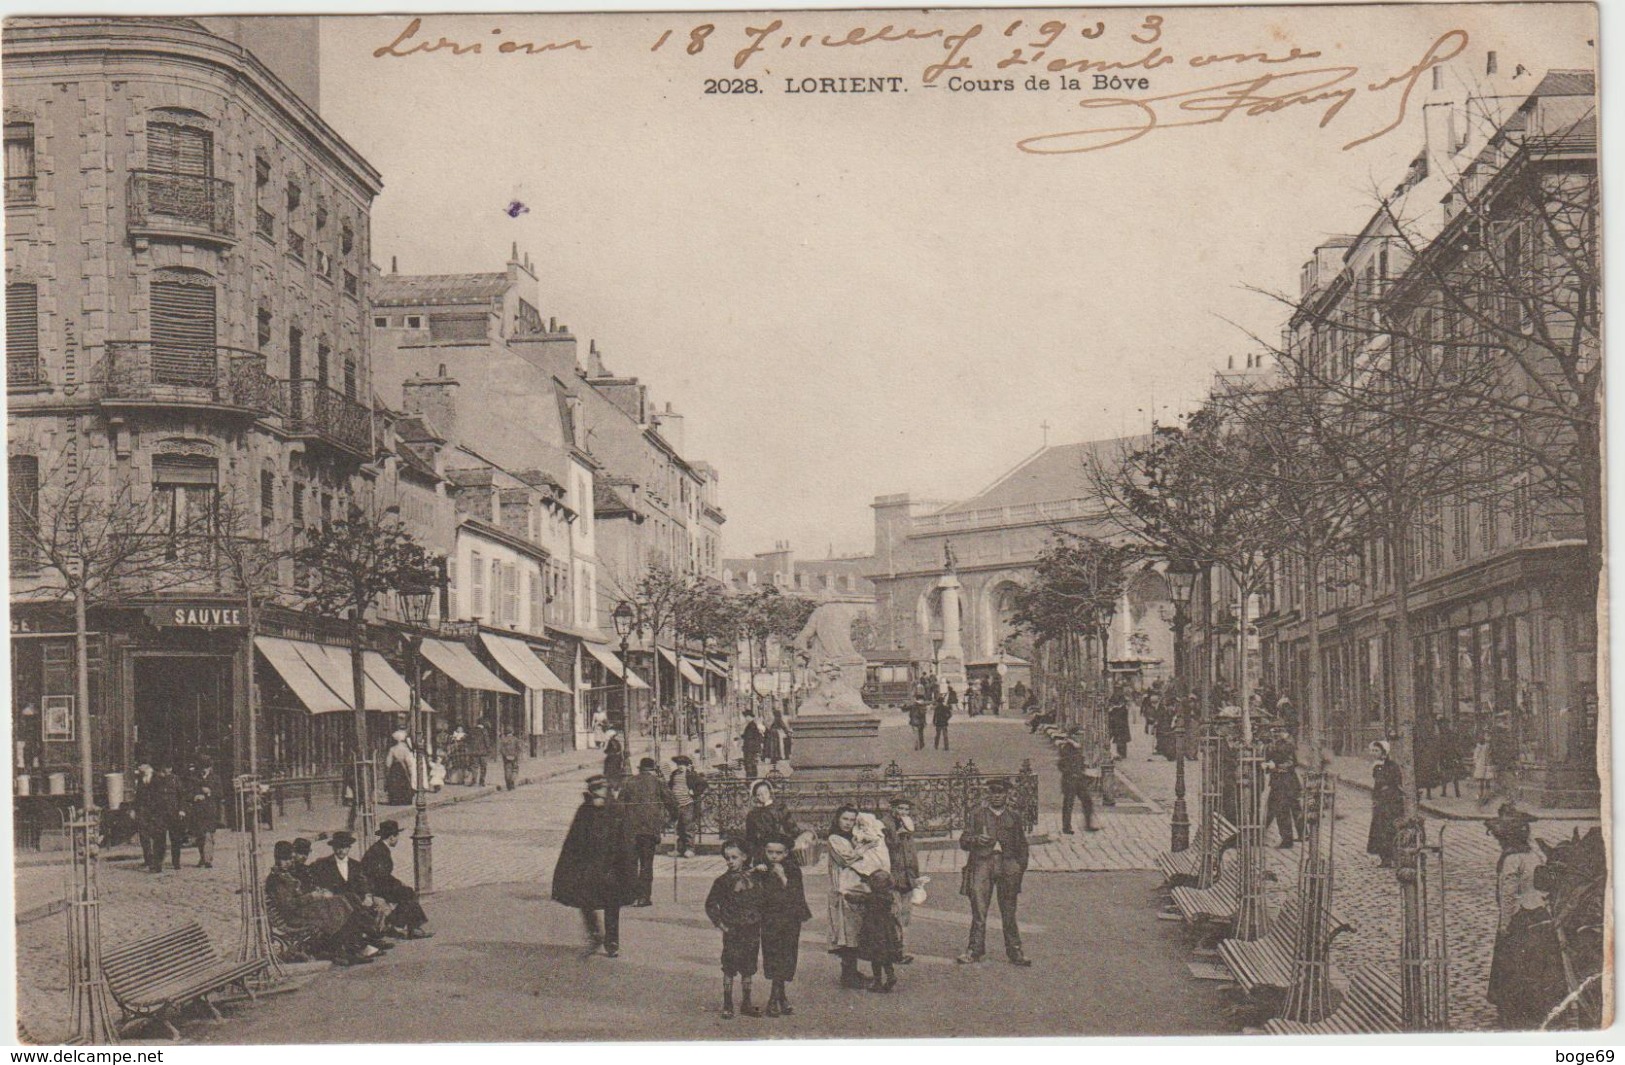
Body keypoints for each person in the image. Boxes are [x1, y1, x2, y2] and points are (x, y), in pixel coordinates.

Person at [1485, 803, 1566, 1029]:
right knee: (1540, 961)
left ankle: (1515, 1007)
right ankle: (1541, 1005)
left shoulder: (1510, 859)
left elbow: (1508, 896)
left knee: (1513, 963)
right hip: (1539, 912)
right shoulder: (1533, 855)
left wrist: (1504, 924)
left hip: (1520, 917)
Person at [552, 774, 638, 958]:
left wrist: (627, 866)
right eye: (595, 791)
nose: (598, 795)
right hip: (590, 866)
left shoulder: (617, 810)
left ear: (606, 791)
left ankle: (612, 942)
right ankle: (595, 934)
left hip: (613, 867)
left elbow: (627, 840)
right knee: (585, 901)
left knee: (612, 905)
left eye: (601, 790)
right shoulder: (584, 811)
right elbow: (573, 840)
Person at [264, 841, 379, 966]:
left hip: (302, 910)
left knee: (340, 902)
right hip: (294, 916)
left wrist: (315, 894)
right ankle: (345, 951)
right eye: (285, 859)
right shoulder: (276, 879)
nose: (289, 862)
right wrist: (312, 896)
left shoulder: (283, 875)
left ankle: (350, 949)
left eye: (290, 858)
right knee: (337, 907)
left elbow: (296, 896)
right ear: (277, 858)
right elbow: (288, 905)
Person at [957, 778, 1032, 966]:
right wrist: (975, 839)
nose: (997, 797)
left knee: (1009, 911)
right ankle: (974, 950)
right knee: (979, 910)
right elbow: (963, 841)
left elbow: (1022, 845)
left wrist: (1019, 867)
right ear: (988, 795)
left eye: (1000, 793)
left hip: (1008, 865)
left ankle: (1015, 951)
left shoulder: (1013, 817)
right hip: (983, 863)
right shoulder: (977, 815)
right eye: (993, 793)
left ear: (1007, 796)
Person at [705, 840, 764, 1019]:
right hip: (732, 930)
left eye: (734, 857)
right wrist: (721, 924)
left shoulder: (755, 878)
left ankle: (746, 1002)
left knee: (748, 967)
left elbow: (764, 899)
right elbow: (710, 904)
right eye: (727, 858)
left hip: (751, 929)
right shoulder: (722, 881)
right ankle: (728, 1003)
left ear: (744, 857)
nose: (730, 861)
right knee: (729, 967)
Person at [754, 834, 812, 1017]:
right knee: (772, 954)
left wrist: (782, 876)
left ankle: (776, 996)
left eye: (778, 853)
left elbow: (795, 895)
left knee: (786, 954)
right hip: (770, 918)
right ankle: (778, 997)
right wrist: (757, 873)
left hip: (789, 918)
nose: (773, 856)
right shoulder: (762, 869)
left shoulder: (792, 869)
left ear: (786, 853)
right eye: (769, 852)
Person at [618, 757, 676, 907]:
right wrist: (673, 818)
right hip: (649, 829)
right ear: (653, 769)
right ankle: (644, 897)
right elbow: (671, 802)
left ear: (640, 768)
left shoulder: (629, 782)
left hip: (630, 829)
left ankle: (629, 896)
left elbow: (619, 805)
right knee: (646, 863)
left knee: (631, 862)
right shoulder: (658, 782)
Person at [361, 820, 433, 939]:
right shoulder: (380, 851)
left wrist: (398, 883)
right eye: (397, 836)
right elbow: (381, 876)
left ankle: (408, 926)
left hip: (378, 884)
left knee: (407, 892)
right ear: (392, 837)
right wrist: (398, 884)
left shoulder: (379, 848)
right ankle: (399, 924)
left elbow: (383, 874)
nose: (397, 839)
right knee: (408, 893)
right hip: (376, 888)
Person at [825, 805, 870, 988]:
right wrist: (865, 849)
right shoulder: (834, 839)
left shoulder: (853, 837)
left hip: (855, 887)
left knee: (854, 931)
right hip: (842, 889)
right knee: (845, 932)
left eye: (852, 820)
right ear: (837, 819)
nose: (848, 823)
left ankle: (852, 970)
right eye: (845, 819)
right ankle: (847, 974)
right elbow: (847, 858)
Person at [881, 796, 920, 963]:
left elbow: (911, 853)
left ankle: (900, 949)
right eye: (900, 809)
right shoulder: (886, 824)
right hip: (894, 875)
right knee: (894, 914)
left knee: (904, 914)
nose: (903, 812)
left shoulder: (907, 824)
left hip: (907, 876)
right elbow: (885, 847)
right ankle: (896, 952)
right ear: (893, 809)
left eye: (906, 809)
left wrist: (915, 876)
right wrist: (897, 835)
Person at [856, 868, 902, 992]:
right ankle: (890, 975)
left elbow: (856, 899)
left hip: (873, 930)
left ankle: (877, 982)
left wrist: (846, 895)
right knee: (886, 957)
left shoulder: (871, 897)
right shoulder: (889, 897)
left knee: (875, 957)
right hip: (887, 930)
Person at [743, 779, 807, 861]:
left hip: (781, 844)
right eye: (759, 794)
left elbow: (790, 826)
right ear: (755, 796)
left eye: (765, 792)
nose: (763, 796)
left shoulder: (779, 808)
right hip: (763, 848)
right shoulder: (752, 814)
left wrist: (800, 837)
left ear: (770, 792)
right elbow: (750, 837)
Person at [1367, 741, 1405, 868]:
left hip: (1391, 801)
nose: (1374, 753)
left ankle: (1393, 856)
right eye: (1372, 751)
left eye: (1376, 751)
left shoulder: (1392, 765)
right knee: (1379, 829)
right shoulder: (1377, 765)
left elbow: (1392, 780)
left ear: (1384, 752)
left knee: (1389, 828)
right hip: (1381, 801)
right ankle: (1385, 858)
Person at [1262, 729, 1303, 849]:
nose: (1274, 732)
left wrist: (1275, 767)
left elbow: (1291, 764)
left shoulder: (1287, 744)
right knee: (1283, 808)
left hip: (1286, 783)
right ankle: (1301, 833)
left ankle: (1287, 840)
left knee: (1282, 810)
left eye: (1277, 730)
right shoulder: (1276, 743)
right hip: (1281, 782)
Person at [185, 754, 223, 869]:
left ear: (210, 767)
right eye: (202, 768)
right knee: (200, 836)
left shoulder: (216, 778)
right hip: (198, 811)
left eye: (206, 767)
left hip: (210, 811)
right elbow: (187, 793)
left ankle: (208, 860)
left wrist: (210, 792)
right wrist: (194, 797)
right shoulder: (193, 778)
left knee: (208, 835)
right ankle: (203, 857)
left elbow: (220, 794)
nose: (204, 770)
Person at [1056, 729, 1098, 834]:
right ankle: (1066, 827)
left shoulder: (1077, 747)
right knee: (1068, 804)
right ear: (1073, 736)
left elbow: (1080, 763)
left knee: (1087, 801)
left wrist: (1084, 771)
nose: (1081, 737)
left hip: (1079, 780)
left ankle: (1088, 824)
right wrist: (1071, 773)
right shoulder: (1067, 747)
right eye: (1079, 735)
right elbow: (1061, 765)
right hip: (1069, 780)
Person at [669, 754, 706, 858]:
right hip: (677, 804)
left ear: (687, 765)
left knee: (688, 827)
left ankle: (690, 849)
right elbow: (670, 786)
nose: (680, 766)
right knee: (679, 827)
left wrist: (694, 792)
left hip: (687, 804)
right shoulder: (674, 774)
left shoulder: (691, 775)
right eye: (679, 764)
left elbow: (703, 784)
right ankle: (680, 849)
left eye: (683, 764)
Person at [385, 730, 416, 806]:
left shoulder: (392, 749)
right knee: (404, 782)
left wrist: (388, 769)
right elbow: (408, 761)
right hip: (403, 767)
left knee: (395, 784)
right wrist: (410, 769)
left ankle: (395, 800)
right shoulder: (405, 749)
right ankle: (404, 800)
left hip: (394, 767)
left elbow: (388, 761)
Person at [1473, 726, 1495, 805]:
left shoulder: (1491, 746)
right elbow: (1476, 755)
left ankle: (1487, 796)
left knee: (1488, 781)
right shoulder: (1480, 745)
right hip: (1481, 765)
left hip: (1488, 765)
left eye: (1489, 736)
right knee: (1481, 781)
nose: (1487, 738)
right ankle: (1480, 795)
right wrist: (1476, 762)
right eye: (1486, 736)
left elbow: (1492, 755)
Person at [499, 727, 525, 791]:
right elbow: (519, 748)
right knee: (515, 769)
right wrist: (516, 755)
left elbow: (501, 749)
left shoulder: (503, 740)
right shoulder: (515, 739)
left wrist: (505, 755)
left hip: (506, 758)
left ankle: (508, 785)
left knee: (507, 770)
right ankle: (513, 780)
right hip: (514, 757)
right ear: (512, 732)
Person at [741, 713, 765, 780]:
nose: (745, 719)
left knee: (749, 765)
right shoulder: (751, 725)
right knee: (752, 764)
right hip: (751, 748)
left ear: (750, 717)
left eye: (746, 717)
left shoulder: (751, 726)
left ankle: (750, 780)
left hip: (750, 749)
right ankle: (752, 779)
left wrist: (743, 736)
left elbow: (750, 737)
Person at [467, 722, 492, 787]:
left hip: (474, 752)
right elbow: (487, 741)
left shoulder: (472, 731)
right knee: (483, 767)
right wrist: (489, 750)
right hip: (483, 752)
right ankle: (482, 781)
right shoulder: (484, 731)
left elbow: (469, 741)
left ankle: (474, 780)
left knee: (475, 767)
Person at [1108, 693, 1131, 760]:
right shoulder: (1119, 708)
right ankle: (1119, 753)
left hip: (1120, 726)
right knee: (1119, 740)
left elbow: (1118, 717)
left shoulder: (1121, 709)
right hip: (1117, 726)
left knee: (1121, 740)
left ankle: (1121, 754)